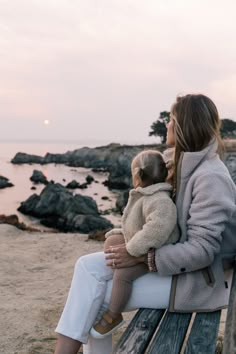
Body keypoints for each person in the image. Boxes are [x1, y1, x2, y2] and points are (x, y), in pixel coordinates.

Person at [54, 94, 236, 354]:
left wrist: (141, 257)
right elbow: (161, 222)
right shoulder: (179, 164)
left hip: (200, 281)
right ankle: (65, 349)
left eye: (171, 120)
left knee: (98, 298)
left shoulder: (210, 177)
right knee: (86, 266)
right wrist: (128, 242)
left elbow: (203, 251)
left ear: (185, 125)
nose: (167, 125)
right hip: (175, 267)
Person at [90, 150, 179, 338]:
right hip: (141, 243)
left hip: (154, 253)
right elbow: (137, 225)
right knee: (112, 241)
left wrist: (131, 251)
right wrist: (121, 236)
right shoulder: (146, 195)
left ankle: (114, 314)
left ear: (137, 176)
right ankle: (119, 267)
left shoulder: (161, 201)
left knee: (122, 275)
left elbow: (153, 233)